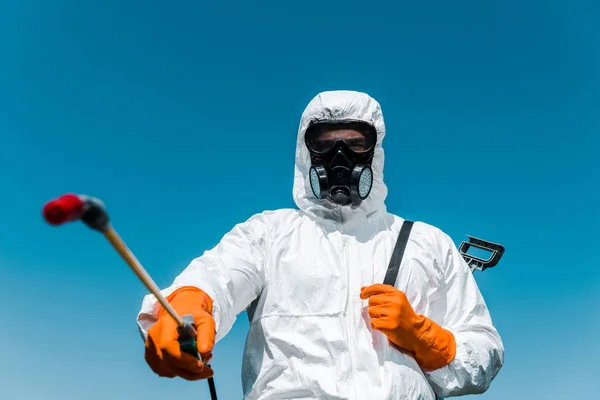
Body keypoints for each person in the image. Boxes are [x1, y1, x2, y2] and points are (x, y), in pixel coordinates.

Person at [136, 90, 504, 399]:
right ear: (305, 152)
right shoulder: (269, 233)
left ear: (374, 152)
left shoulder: (426, 243)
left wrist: (427, 338)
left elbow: (484, 351)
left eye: (356, 143)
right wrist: (186, 307)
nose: (339, 158)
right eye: (325, 144)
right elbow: (217, 277)